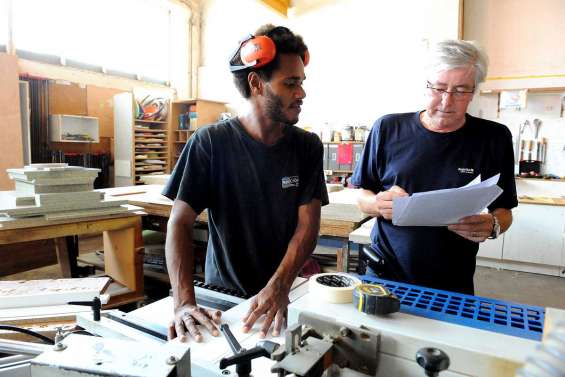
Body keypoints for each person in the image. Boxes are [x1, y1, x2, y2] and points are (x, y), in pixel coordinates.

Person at [162, 24, 328, 342]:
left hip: (284, 289)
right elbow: (179, 223)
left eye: (301, 82)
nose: (301, 93)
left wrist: (279, 286)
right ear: (256, 83)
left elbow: (307, 227)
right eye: (291, 83)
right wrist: (183, 303)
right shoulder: (210, 143)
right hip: (221, 296)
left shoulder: (307, 146)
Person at [351, 39, 517, 295]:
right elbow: (362, 196)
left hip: (453, 278)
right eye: (438, 88)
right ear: (426, 85)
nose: (446, 102)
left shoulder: (493, 138)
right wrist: (378, 205)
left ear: (474, 91)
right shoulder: (387, 128)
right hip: (385, 272)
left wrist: (492, 225)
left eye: (461, 91)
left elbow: (504, 209)